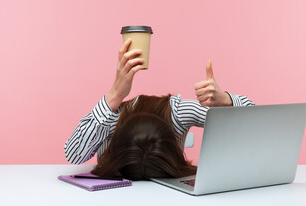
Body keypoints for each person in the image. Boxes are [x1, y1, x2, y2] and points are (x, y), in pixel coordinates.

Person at [64, 38, 255, 180]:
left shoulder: (177, 112)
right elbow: (74, 154)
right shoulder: (112, 118)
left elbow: (258, 126)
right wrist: (114, 95)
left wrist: (225, 101)